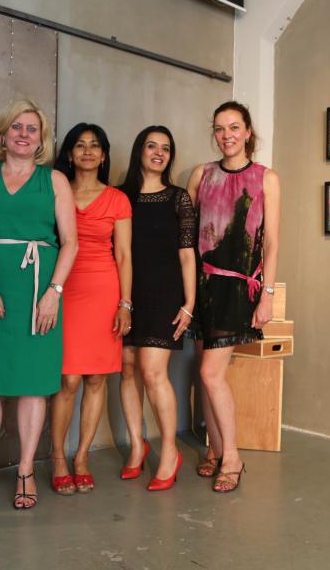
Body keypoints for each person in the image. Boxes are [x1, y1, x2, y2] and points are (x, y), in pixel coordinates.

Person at [0, 99, 78, 510]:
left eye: (32, 129)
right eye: (17, 127)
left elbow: (70, 242)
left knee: (33, 385)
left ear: (41, 140)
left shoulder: (55, 181)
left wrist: (53, 293)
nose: (24, 134)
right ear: (4, 134)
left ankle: (25, 470)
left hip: (39, 293)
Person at [186, 101, 281, 493]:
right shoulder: (201, 174)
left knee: (211, 373)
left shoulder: (265, 178)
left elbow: (271, 242)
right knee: (206, 373)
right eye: (220, 128)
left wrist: (267, 295)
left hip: (238, 287)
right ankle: (214, 448)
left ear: (247, 131)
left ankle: (232, 458)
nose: (227, 135)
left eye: (234, 127)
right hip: (201, 285)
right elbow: (185, 233)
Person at [48, 123, 132, 494]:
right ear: (69, 154)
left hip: (103, 291)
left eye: (94, 145)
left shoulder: (117, 199)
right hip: (63, 287)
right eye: (80, 145)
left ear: (103, 155)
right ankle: (57, 457)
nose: (87, 151)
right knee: (67, 380)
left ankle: (81, 457)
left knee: (97, 378)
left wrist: (125, 303)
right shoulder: (55, 189)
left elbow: (124, 255)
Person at [119, 126, 196, 491]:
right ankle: (137, 445)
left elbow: (187, 255)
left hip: (165, 293)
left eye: (166, 148)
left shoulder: (179, 198)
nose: (159, 153)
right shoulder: (121, 197)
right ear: (140, 150)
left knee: (152, 372)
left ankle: (169, 451)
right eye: (152, 146)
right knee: (127, 368)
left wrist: (189, 304)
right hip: (125, 292)